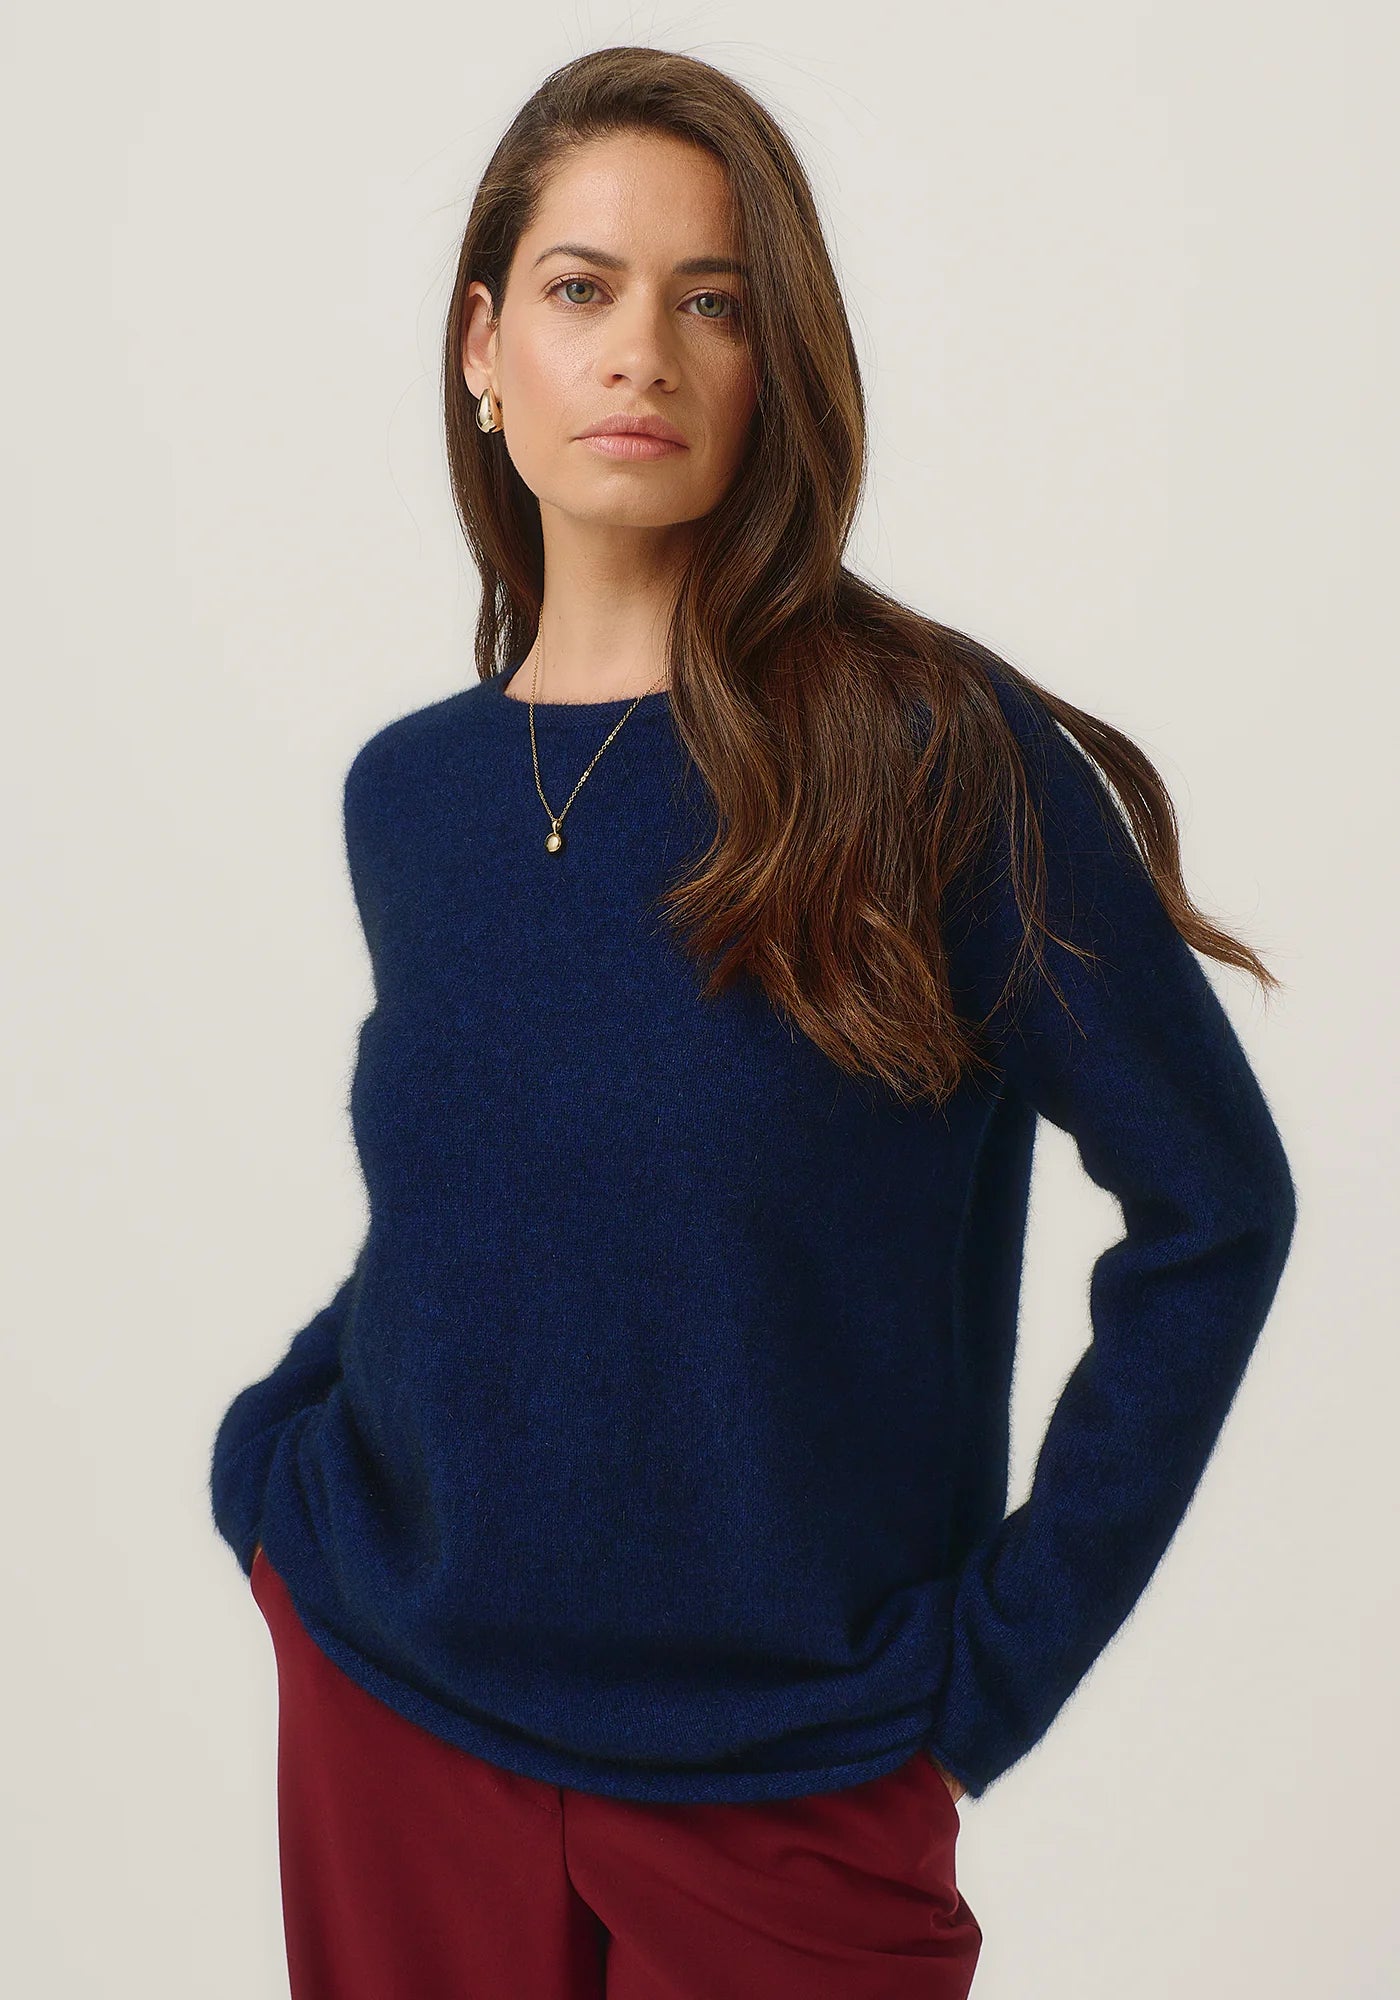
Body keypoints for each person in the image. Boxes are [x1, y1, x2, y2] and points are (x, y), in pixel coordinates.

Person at [209, 46, 1297, 2000]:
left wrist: (993, 1669)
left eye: (712, 302)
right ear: (483, 346)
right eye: (583, 288)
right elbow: (476, 1211)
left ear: (773, 362)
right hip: (397, 1727)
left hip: (787, 1780)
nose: (643, 350)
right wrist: (273, 1472)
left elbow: (1215, 1206)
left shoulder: (925, 757)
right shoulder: (414, 795)